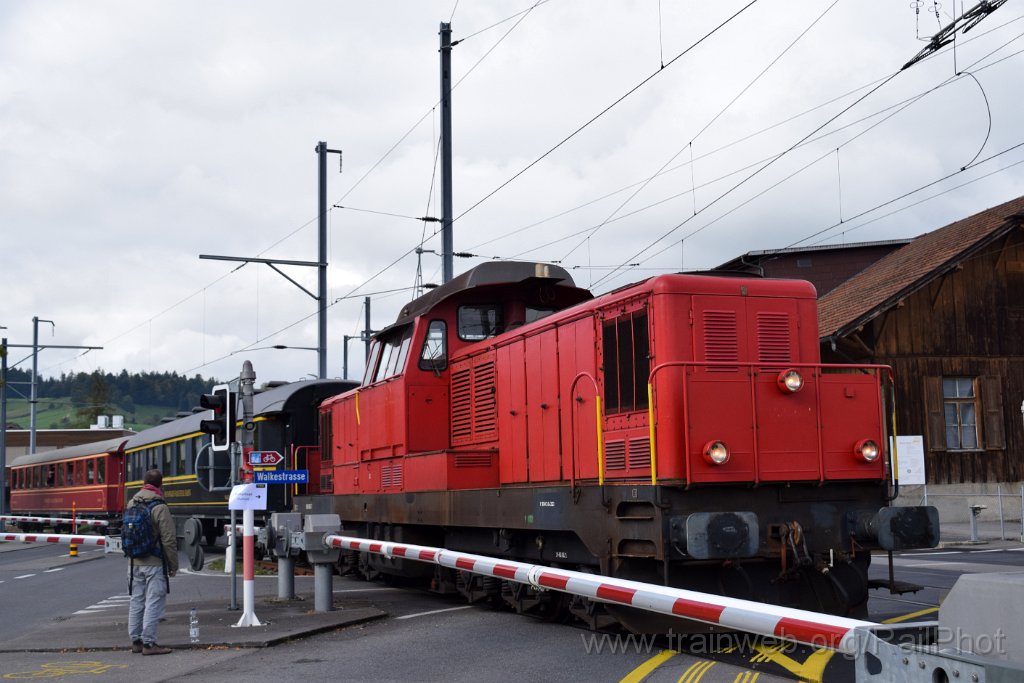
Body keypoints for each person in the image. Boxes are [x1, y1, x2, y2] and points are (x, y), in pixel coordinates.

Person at [127, 468, 178, 655]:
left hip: (133, 563)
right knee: (154, 601)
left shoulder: (132, 502)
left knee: (136, 600)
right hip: (155, 562)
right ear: (161, 484)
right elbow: (169, 539)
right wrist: (173, 565)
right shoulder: (160, 506)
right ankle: (149, 644)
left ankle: (136, 641)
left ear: (144, 482)